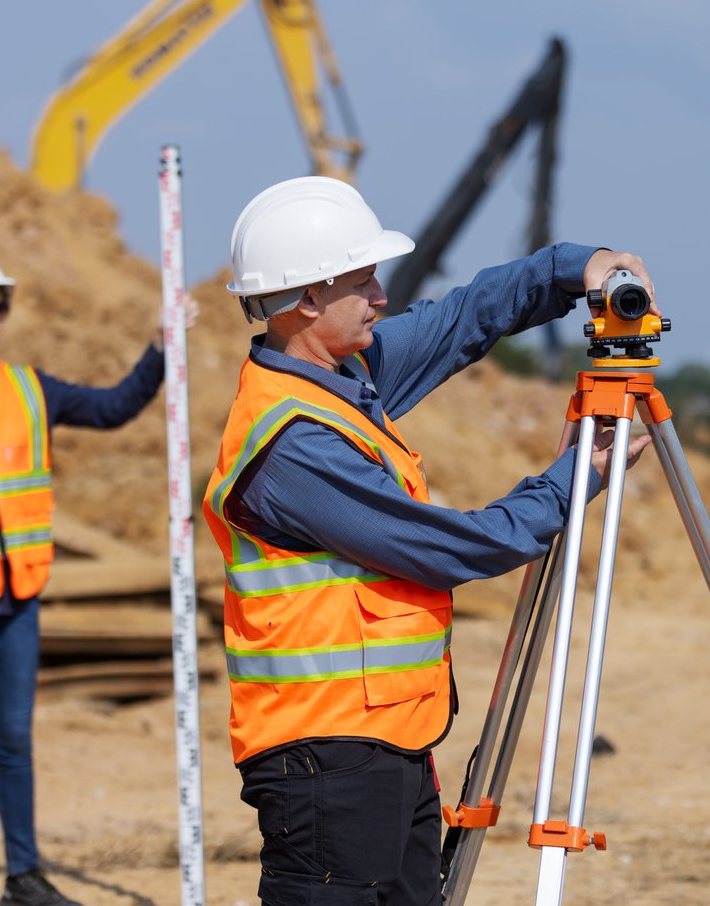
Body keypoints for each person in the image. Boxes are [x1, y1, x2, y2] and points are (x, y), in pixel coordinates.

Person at [201, 176, 655, 905]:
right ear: (307, 299)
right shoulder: (292, 442)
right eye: (363, 280)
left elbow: (459, 320)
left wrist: (572, 268)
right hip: (327, 758)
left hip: (390, 740)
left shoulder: (344, 376)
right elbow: (455, 548)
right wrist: (580, 476)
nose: (381, 296)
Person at [0, 252, 196, 906]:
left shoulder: (28, 389)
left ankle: (23, 875)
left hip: (15, 591)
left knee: (14, 739)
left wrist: (160, 351)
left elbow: (111, 409)